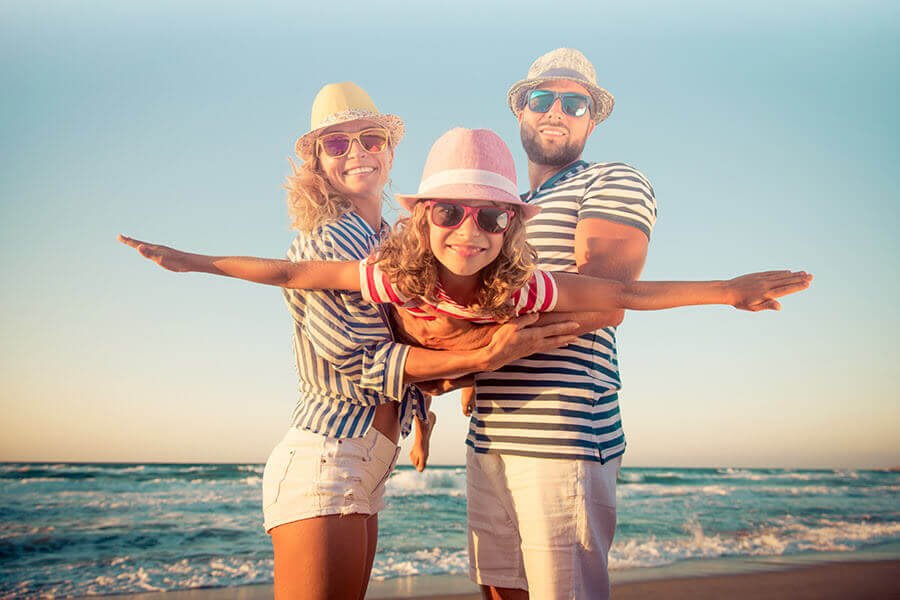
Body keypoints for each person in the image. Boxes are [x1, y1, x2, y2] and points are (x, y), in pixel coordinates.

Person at [122, 82, 579, 600]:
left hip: (368, 465)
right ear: (317, 163)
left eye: (370, 138)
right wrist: (483, 356)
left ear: (389, 149)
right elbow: (363, 362)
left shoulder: (393, 240)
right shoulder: (324, 239)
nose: (357, 152)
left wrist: (427, 418)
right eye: (336, 145)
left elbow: (424, 334)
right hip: (326, 456)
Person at [120, 127, 809, 326]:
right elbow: (293, 272)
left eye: (491, 216)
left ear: (513, 226)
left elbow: (626, 295)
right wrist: (195, 261)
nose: (468, 231)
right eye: (449, 212)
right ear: (423, 219)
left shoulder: (524, 289)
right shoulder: (393, 276)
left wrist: (729, 289)